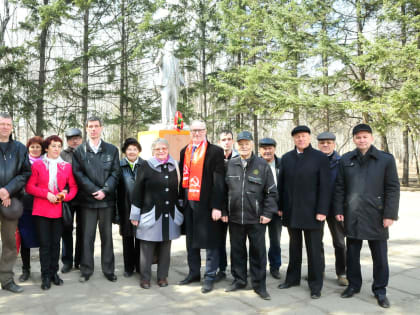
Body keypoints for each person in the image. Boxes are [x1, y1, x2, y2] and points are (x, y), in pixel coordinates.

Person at [334, 124, 400, 308]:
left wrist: (390, 214)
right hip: (352, 214)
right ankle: (353, 286)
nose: (361, 140)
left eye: (365, 136)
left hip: (377, 216)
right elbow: (339, 187)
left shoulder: (385, 159)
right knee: (352, 255)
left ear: (371, 138)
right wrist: (339, 210)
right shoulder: (346, 159)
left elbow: (393, 188)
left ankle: (380, 290)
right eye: (358, 137)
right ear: (354, 139)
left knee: (380, 256)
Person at [278, 125, 331, 299]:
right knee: (294, 248)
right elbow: (282, 186)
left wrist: (322, 210)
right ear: (293, 139)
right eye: (297, 136)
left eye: (304, 136)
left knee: (314, 250)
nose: (301, 139)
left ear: (309, 138)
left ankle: (315, 285)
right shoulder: (286, 158)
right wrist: (280, 207)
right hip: (292, 212)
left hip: (313, 213)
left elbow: (325, 187)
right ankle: (292, 279)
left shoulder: (320, 158)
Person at [225, 131, 277, 300]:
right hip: (234, 218)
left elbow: (271, 192)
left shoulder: (262, 165)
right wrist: (225, 211)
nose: (244, 146)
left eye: (247, 143)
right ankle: (239, 280)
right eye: (241, 144)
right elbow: (222, 191)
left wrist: (268, 213)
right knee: (237, 252)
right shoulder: (230, 164)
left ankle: (259, 285)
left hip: (256, 219)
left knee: (258, 252)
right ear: (236, 145)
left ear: (252, 145)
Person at [178, 120, 226, 294]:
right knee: (191, 241)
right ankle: (193, 273)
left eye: (199, 130)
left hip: (208, 205)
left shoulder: (215, 152)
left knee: (211, 242)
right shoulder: (185, 151)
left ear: (206, 131)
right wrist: (180, 201)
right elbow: (182, 180)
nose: (196, 133)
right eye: (193, 131)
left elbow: (219, 182)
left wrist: (217, 206)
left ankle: (210, 275)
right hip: (189, 204)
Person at [25, 135, 78, 290]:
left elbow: (73, 187)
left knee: (56, 244)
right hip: (41, 210)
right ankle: (45, 276)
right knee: (45, 245)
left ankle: (54, 273)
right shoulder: (38, 165)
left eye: (59, 146)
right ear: (46, 148)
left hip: (58, 210)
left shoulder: (66, 166)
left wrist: (64, 196)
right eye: (53, 146)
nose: (56, 149)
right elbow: (29, 187)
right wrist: (46, 194)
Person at [72, 116, 120, 283]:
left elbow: (115, 173)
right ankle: (86, 270)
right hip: (88, 202)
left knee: (107, 237)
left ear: (101, 128)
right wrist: (94, 191)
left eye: (96, 126)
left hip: (106, 201)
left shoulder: (112, 150)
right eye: (90, 126)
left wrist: (105, 191)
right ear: (86, 129)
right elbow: (78, 174)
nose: (93, 129)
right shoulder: (79, 151)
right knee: (87, 237)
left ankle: (108, 270)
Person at [130, 138, 183, 289]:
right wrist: (135, 214)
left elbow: (178, 191)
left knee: (166, 247)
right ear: (153, 150)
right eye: (158, 149)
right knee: (147, 247)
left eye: (164, 148)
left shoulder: (175, 166)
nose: (161, 151)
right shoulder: (146, 166)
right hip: (150, 213)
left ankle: (162, 277)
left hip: (170, 214)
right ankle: (145, 278)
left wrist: (180, 208)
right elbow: (137, 191)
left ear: (168, 149)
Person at [0, 112, 31, 293]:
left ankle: (6, 279)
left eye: (7, 124)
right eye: (1, 123)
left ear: (11, 127)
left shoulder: (20, 148)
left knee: (10, 243)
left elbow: (26, 173)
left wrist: (8, 190)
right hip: (4, 196)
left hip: (10, 202)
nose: (4, 127)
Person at [316, 131, 347, 286]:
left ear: (334, 144)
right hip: (317, 209)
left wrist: (341, 209)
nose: (325, 145)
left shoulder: (342, 162)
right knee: (316, 242)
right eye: (322, 142)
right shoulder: (313, 160)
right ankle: (318, 270)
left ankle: (342, 273)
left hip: (336, 210)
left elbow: (345, 187)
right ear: (318, 144)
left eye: (328, 142)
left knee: (340, 242)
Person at [18, 136, 44, 282]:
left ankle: (44, 269)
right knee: (25, 239)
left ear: (42, 149)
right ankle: (26, 269)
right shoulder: (22, 162)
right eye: (32, 147)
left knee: (43, 239)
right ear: (28, 148)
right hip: (25, 205)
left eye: (38, 146)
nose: (35, 149)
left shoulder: (47, 162)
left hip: (42, 206)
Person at [215, 129, 239, 282]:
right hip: (220, 208)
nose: (226, 142)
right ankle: (221, 269)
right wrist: (222, 209)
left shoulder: (240, 157)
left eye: (229, 139)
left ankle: (238, 271)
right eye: (223, 139)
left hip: (237, 207)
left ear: (233, 141)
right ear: (219, 142)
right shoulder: (215, 158)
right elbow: (217, 187)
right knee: (219, 241)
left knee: (237, 242)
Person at [117, 138, 143, 277]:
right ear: (125, 151)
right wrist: (116, 213)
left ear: (139, 150)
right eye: (129, 149)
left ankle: (140, 266)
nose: (132, 151)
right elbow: (115, 191)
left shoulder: (145, 165)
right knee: (127, 239)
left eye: (134, 149)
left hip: (142, 209)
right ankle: (128, 267)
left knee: (140, 238)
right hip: (124, 208)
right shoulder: (119, 166)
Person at [258, 137, 282, 280]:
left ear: (274, 149)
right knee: (258, 241)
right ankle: (258, 267)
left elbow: (285, 188)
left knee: (275, 241)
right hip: (258, 210)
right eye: (264, 148)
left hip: (276, 210)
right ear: (260, 149)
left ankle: (275, 267)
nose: (267, 151)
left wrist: (282, 207)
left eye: (270, 148)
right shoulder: (254, 163)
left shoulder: (281, 164)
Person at [60, 128, 83, 273]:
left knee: (83, 230)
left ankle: (79, 260)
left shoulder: (87, 153)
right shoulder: (61, 155)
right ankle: (67, 261)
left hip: (84, 197)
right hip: (67, 197)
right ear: (67, 140)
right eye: (71, 138)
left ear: (81, 138)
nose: (74, 141)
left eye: (77, 138)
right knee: (66, 229)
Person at [154, 41, 184, 124]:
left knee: (174, 102)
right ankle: (165, 121)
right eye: (169, 45)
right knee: (165, 101)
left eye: (172, 45)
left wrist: (182, 81)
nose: (171, 46)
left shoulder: (176, 60)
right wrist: (160, 55)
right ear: (165, 47)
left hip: (174, 83)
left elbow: (178, 72)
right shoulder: (162, 58)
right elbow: (156, 64)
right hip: (165, 83)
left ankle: (173, 121)